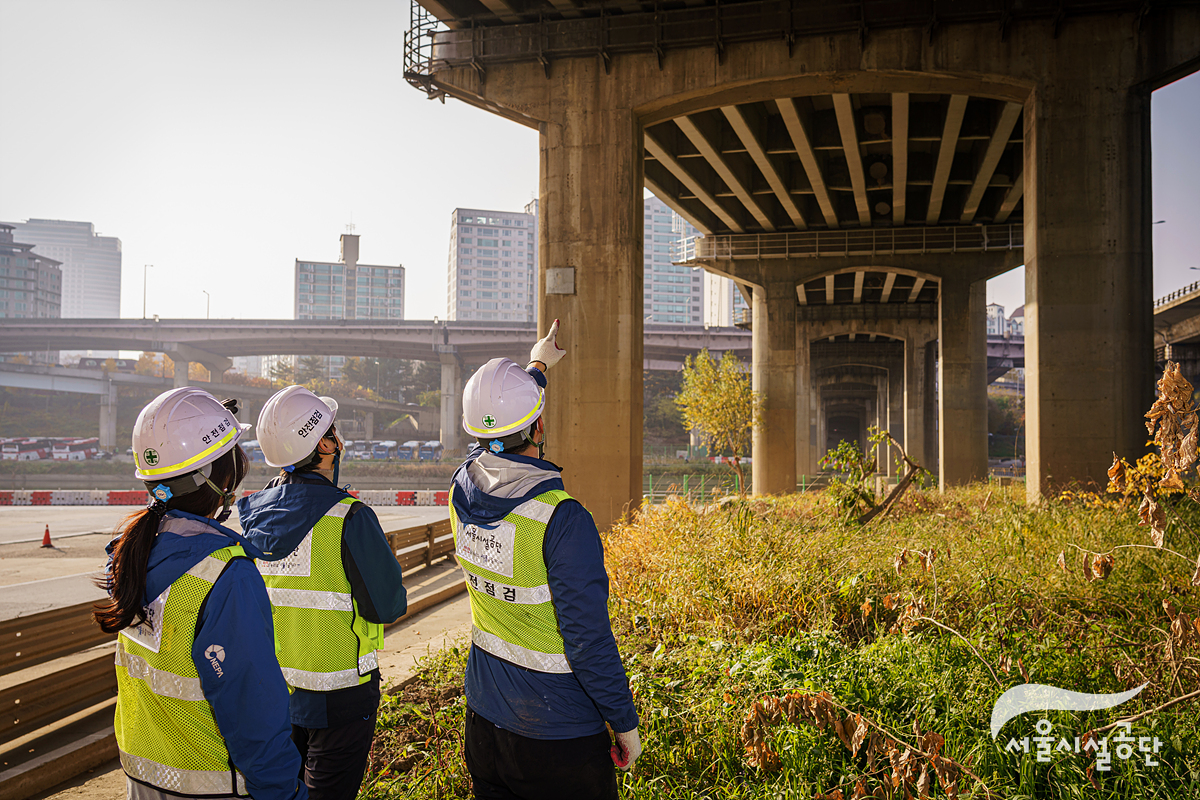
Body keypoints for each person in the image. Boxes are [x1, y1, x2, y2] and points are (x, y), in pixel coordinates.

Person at [450, 320, 641, 800]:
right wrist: (624, 722)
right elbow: (588, 640)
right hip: (558, 736)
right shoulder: (562, 519)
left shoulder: (460, 489)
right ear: (537, 427)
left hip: (485, 722)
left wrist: (538, 365)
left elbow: (500, 429)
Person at [95, 387, 305, 800]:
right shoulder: (226, 574)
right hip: (213, 785)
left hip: (144, 778)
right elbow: (254, 711)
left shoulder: (131, 549)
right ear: (219, 476)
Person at [237, 386, 408, 800]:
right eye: (334, 432)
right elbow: (388, 605)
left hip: (275, 696)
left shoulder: (252, 516)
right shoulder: (350, 516)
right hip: (342, 696)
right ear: (326, 444)